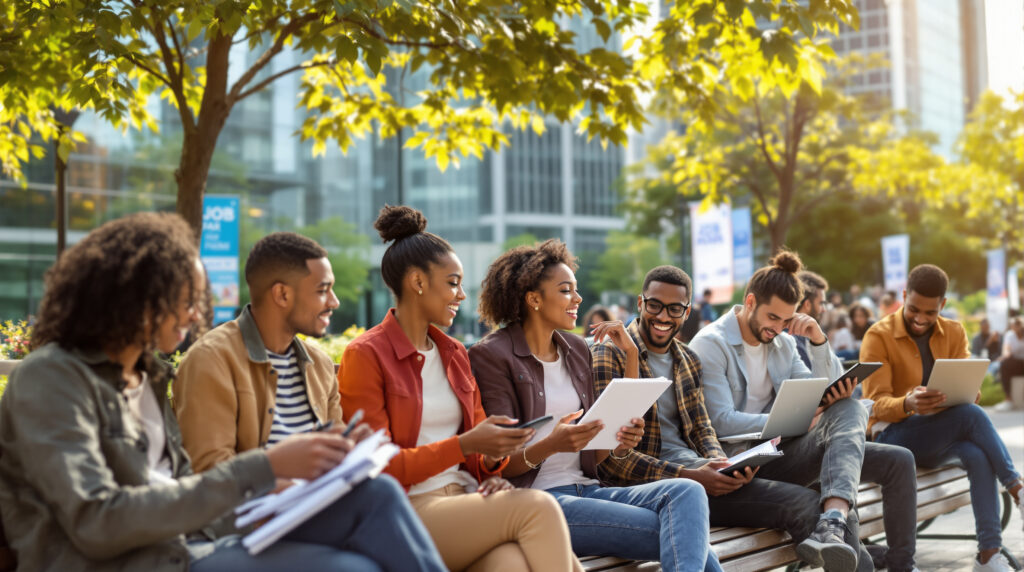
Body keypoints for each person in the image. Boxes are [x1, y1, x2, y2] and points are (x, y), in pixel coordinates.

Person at [0, 213, 445, 571]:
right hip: (150, 560)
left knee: (375, 498)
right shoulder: (51, 378)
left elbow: (180, 489)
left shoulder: (148, 376)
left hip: (197, 541)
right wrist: (263, 470)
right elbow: (96, 521)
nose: (196, 315)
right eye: (186, 299)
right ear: (136, 296)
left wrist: (287, 489)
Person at [338, 206, 581, 572]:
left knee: (510, 564)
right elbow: (379, 467)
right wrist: (466, 445)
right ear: (418, 282)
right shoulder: (366, 354)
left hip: (466, 499)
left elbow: (479, 456)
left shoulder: (454, 354)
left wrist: (494, 456)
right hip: (405, 510)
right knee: (539, 508)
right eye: (453, 283)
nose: (462, 295)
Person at [469, 239, 722, 572]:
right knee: (685, 536)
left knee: (689, 492)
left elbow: (598, 455)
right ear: (533, 299)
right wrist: (551, 444)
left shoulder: (575, 348)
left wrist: (619, 436)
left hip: (590, 489)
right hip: (540, 503)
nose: (578, 298)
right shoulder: (492, 356)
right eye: (565, 290)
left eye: (576, 289)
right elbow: (497, 463)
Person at [689, 250, 918, 572]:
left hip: (783, 451)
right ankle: (837, 523)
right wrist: (792, 422)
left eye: (786, 321)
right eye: (772, 318)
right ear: (750, 302)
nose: (778, 329)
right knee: (839, 444)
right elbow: (720, 422)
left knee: (891, 451)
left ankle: (878, 548)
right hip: (742, 463)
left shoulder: (782, 344)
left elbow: (826, 391)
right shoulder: (711, 344)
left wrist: (818, 341)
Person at [591, 265, 834, 567]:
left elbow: (703, 429)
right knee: (803, 503)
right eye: (655, 305)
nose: (664, 316)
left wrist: (724, 465)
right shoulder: (610, 352)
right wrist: (696, 476)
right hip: (657, 488)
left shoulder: (688, 359)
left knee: (818, 492)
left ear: (687, 311)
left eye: (675, 308)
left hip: (702, 477)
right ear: (640, 304)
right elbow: (612, 460)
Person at [861, 264, 1024, 572]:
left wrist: (968, 392)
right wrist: (908, 403)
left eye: (930, 312)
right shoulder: (877, 335)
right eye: (913, 310)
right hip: (893, 438)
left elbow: (966, 384)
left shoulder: (954, 331)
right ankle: (1017, 488)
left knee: (975, 453)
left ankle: (988, 555)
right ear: (905, 296)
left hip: (938, 435)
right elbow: (874, 404)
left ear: (943, 306)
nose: (921, 319)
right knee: (971, 416)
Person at [175, 232, 351, 470]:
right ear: (282, 294)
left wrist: (349, 450)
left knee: (378, 488)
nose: (334, 302)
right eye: (322, 290)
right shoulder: (211, 359)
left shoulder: (319, 364)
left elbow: (334, 457)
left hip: (319, 501)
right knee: (382, 491)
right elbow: (209, 471)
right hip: (258, 505)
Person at [794, 270, 830, 369]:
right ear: (807, 304)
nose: (824, 309)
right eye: (821, 303)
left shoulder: (813, 334)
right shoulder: (793, 339)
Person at [997, 317, 1024, 406]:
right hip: (1016, 363)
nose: (1015, 327)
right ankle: (1008, 397)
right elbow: (1006, 349)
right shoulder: (1010, 335)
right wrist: (1005, 356)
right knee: (1004, 364)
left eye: (1018, 325)